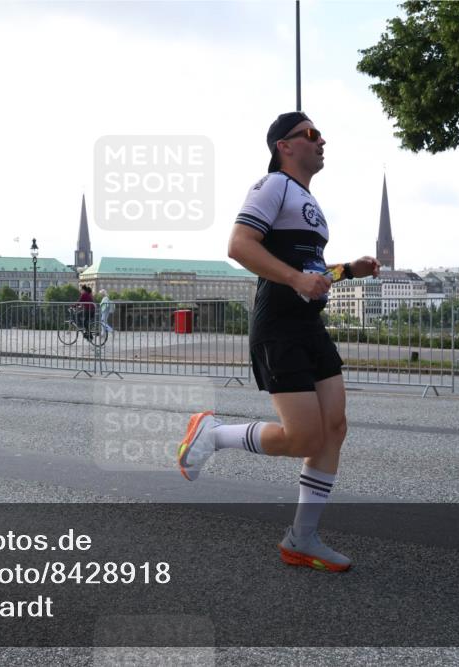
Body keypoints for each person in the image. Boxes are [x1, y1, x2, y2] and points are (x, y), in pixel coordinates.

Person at [177, 112, 381, 572]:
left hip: (309, 325)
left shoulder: (309, 201)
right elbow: (239, 245)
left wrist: (348, 270)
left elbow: (310, 272)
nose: (322, 141)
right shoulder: (272, 185)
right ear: (283, 146)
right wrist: (295, 279)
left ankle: (302, 538)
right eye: (311, 134)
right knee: (303, 437)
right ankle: (213, 434)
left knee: (334, 428)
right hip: (279, 327)